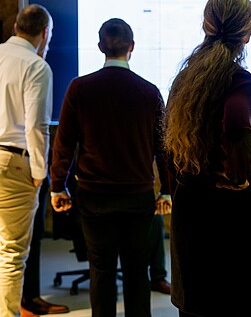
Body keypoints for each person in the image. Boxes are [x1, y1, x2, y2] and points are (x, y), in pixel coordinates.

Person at [50, 18, 171, 317]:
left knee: (101, 270)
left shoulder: (79, 88)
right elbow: (163, 148)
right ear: (132, 47)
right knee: (137, 270)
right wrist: (167, 191)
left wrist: (58, 186)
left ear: (100, 47)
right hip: (138, 196)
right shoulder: (149, 92)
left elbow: (64, 143)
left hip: (94, 196)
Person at [164, 0, 251, 317]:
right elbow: (236, 122)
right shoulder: (238, 80)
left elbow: (170, 145)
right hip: (229, 210)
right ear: (247, 32)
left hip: (190, 203)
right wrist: (237, 174)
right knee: (231, 304)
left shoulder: (184, 78)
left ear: (205, 25)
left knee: (194, 304)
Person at [0, 4, 54, 317]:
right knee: (11, 253)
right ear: (44, 34)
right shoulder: (36, 66)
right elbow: (36, 126)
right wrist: (39, 172)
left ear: (16, 27)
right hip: (13, 162)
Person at [21, 178, 70, 316]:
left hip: (33, 177)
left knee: (34, 236)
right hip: (21, 176)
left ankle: (30, 298)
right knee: (18, 241)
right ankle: (20, 302)